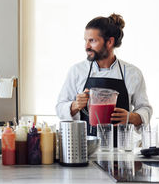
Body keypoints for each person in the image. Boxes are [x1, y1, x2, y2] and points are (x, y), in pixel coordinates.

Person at [56, 13, 152, 145]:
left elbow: (145, 109)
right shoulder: (77, 71)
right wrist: (75, 105)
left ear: (109, 42)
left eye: (92, 41)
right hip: (85, 150)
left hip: (122, 152)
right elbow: (60, 107)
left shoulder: (132, 73)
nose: (86, 47)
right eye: (85, 40)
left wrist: (131, 117)